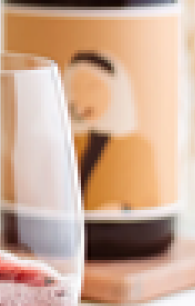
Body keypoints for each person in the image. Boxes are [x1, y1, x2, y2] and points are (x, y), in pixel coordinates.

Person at [63, 50, 159, 212]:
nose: (81, 97)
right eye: (75, 88)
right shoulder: (71, 144)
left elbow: (145, 203)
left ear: (116, 89)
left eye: (92, 87)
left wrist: (121, 209)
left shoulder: (138, 148)